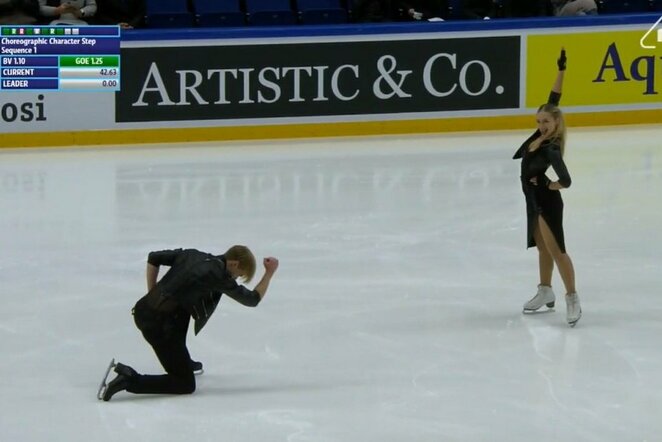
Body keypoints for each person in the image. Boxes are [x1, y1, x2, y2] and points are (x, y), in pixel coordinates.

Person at [101, 245, 279, 401]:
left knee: (186, 304)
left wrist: (152, 292)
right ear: (234, 264)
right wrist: (269, 273)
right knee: (185, 384)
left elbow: (154, 257)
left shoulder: (192, 254)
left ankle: (182, 360)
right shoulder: (217, 275)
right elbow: (252, 300)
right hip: (156, 326)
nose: (234, 279)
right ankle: (130, 380)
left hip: (144, 310)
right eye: (237, 275)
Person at [514, 49, 582, 326]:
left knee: (557, 251)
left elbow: (566, 180)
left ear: (556, 124)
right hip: (533, 199)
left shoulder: (552, 147)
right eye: (538, 121)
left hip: (545, 201)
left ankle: (572, 298)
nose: (541, 125)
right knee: (542, 249)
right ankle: (545, 290)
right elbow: (554, 100)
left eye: (546, 122)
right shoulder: (539, 137)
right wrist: (561, 72)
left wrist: (549, 185)